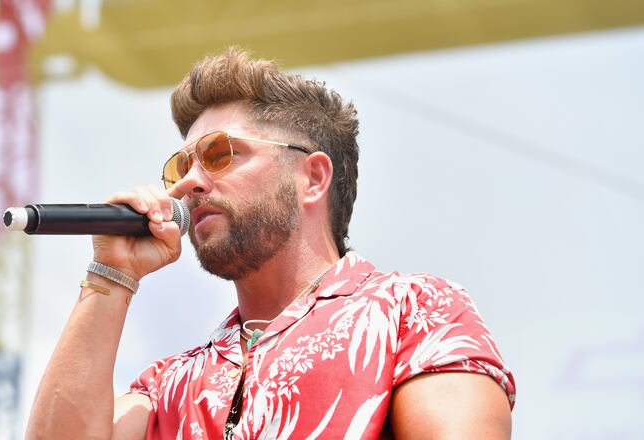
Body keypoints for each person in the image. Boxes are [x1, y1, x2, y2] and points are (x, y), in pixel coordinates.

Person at [26, 47, 516, 439]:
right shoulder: (168, 386)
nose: (187, 184)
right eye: (181, 166)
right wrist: (112, 276)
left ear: (313, 178)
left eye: (220, 154)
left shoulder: (414, 311)